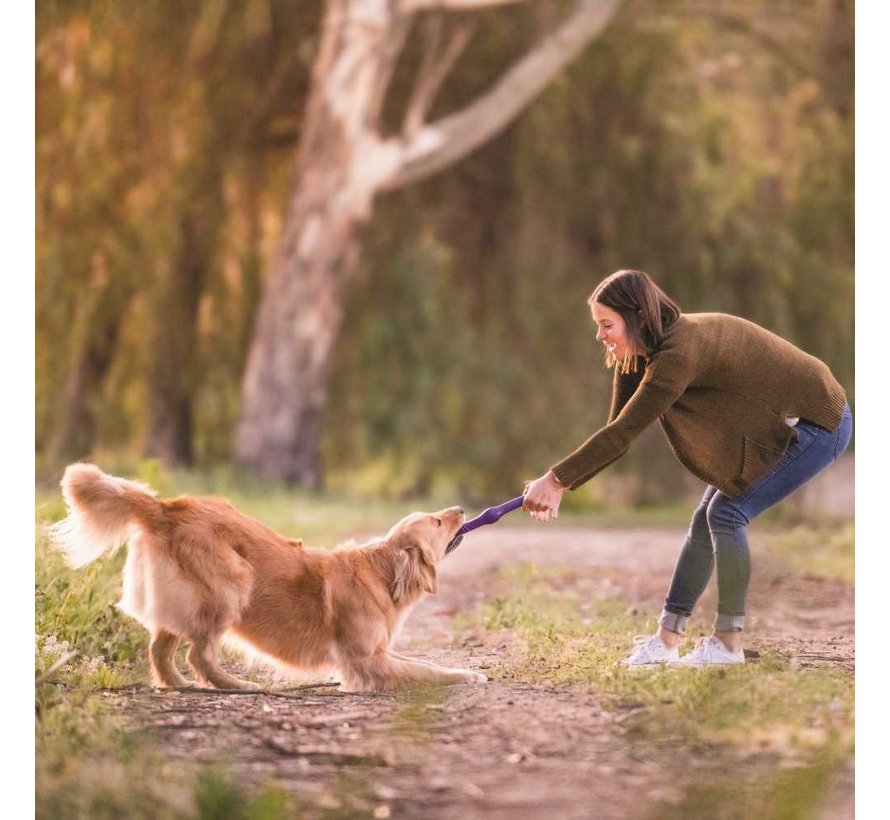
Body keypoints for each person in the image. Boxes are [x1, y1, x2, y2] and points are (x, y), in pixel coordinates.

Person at [522, 269, 852, 668]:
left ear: (638, 318)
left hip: (818, 424)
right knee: (705, 519)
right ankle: (666, 642)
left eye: (606, 325)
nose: (600, 335)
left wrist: (556, 480)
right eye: (598, 325)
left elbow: (625, 432)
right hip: (788, 423)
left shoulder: (678, 354)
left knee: (726, 514)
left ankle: (728, 645)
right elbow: (617, 431)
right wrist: (559, 482)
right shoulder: (641, 354)